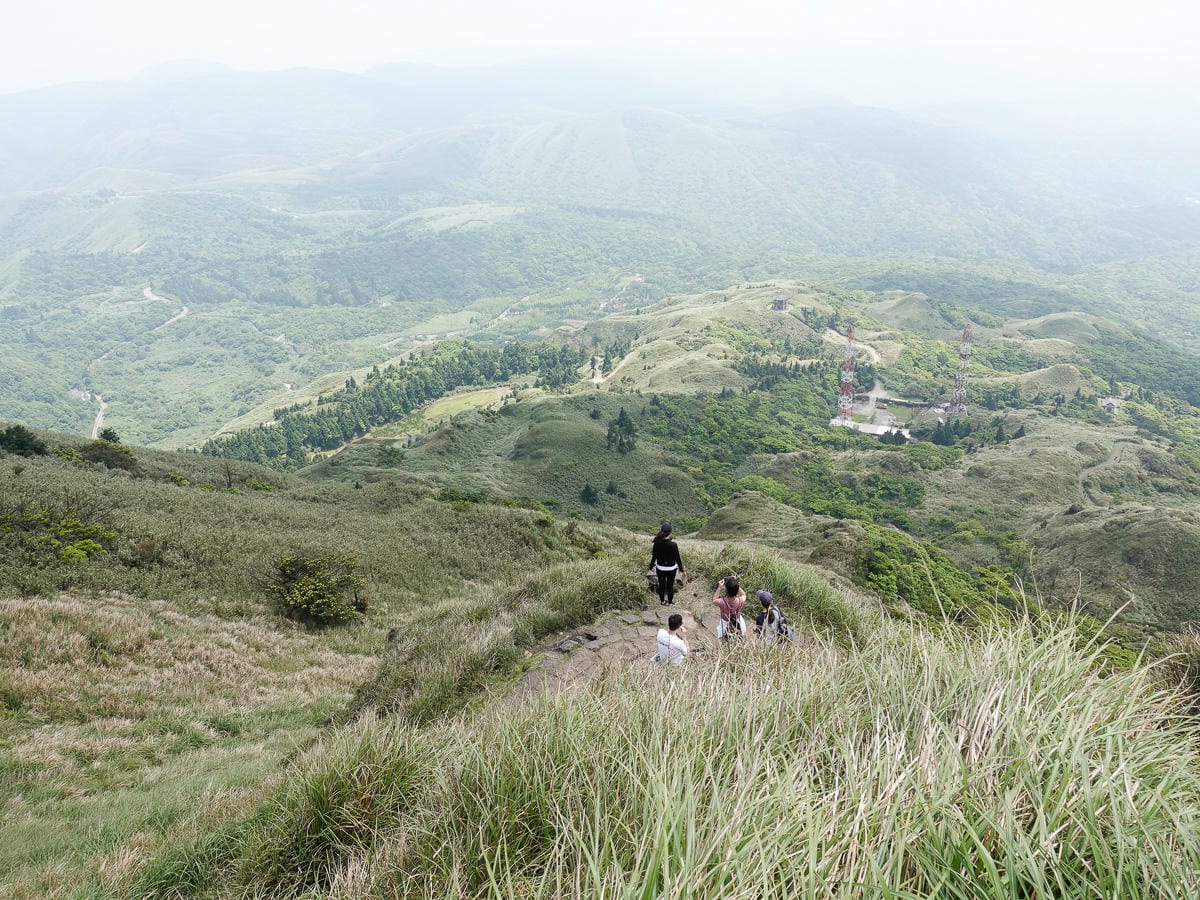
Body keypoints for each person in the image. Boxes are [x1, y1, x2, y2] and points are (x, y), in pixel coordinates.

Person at [649, 523, 685, 606]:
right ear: (670, 532)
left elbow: (654, 557)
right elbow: (677, 558)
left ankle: (662, 601)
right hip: (671, 569)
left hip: (660, 568)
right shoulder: (673, 545)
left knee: (661, 585)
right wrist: (681, 569)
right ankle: (670, 602)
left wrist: (650, 567)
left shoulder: (657, 543)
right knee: (670, 586)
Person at [713, 575, 746, 639]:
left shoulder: (722, 602)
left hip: (725, 622)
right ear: (737, 591)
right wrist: (735, 584)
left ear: (726, 591)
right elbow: (743, 594)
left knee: (721, 636)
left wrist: (719, 587)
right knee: (741, 634)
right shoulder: (740, 600)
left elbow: (714, 600)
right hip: (737, 620)